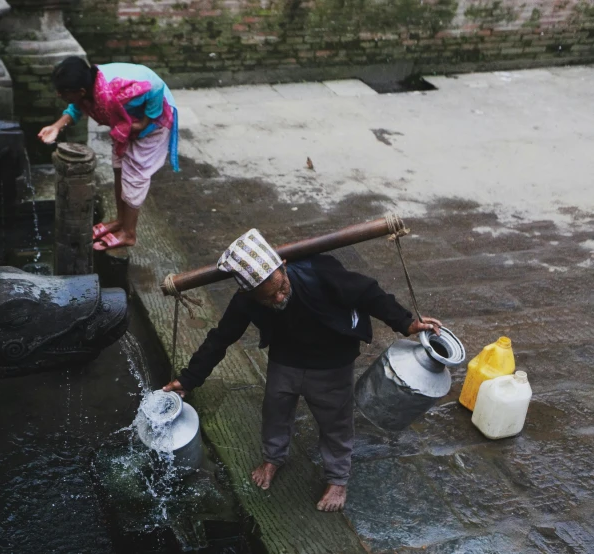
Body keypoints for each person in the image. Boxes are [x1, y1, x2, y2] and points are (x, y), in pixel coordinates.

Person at [163, 229, 442, 512]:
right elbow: (221, 338)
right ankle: (273, 457)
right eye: (268, 299)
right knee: (275, 409)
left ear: (283, 266)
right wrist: (188, 379)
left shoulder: (319, 272)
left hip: (332, 360)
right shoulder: (246, 299)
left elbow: (369, 293)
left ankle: (337, 479)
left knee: (336, 422)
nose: (279, 299)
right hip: (286, 358)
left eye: (281, 289)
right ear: (249, 293)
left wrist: (406, 323)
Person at [38, 57, 179, 252]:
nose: (58, 94)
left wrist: (145, 122)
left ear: (80, 91)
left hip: (152, 125)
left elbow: (155, 86)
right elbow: (77, 107)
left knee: (135, 177)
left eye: (63, 92)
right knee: (119, 169)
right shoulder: (88, 87)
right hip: (127, 124)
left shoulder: (115, 90)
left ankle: (129, 233)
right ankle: (121, 221)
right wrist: (55, 127)